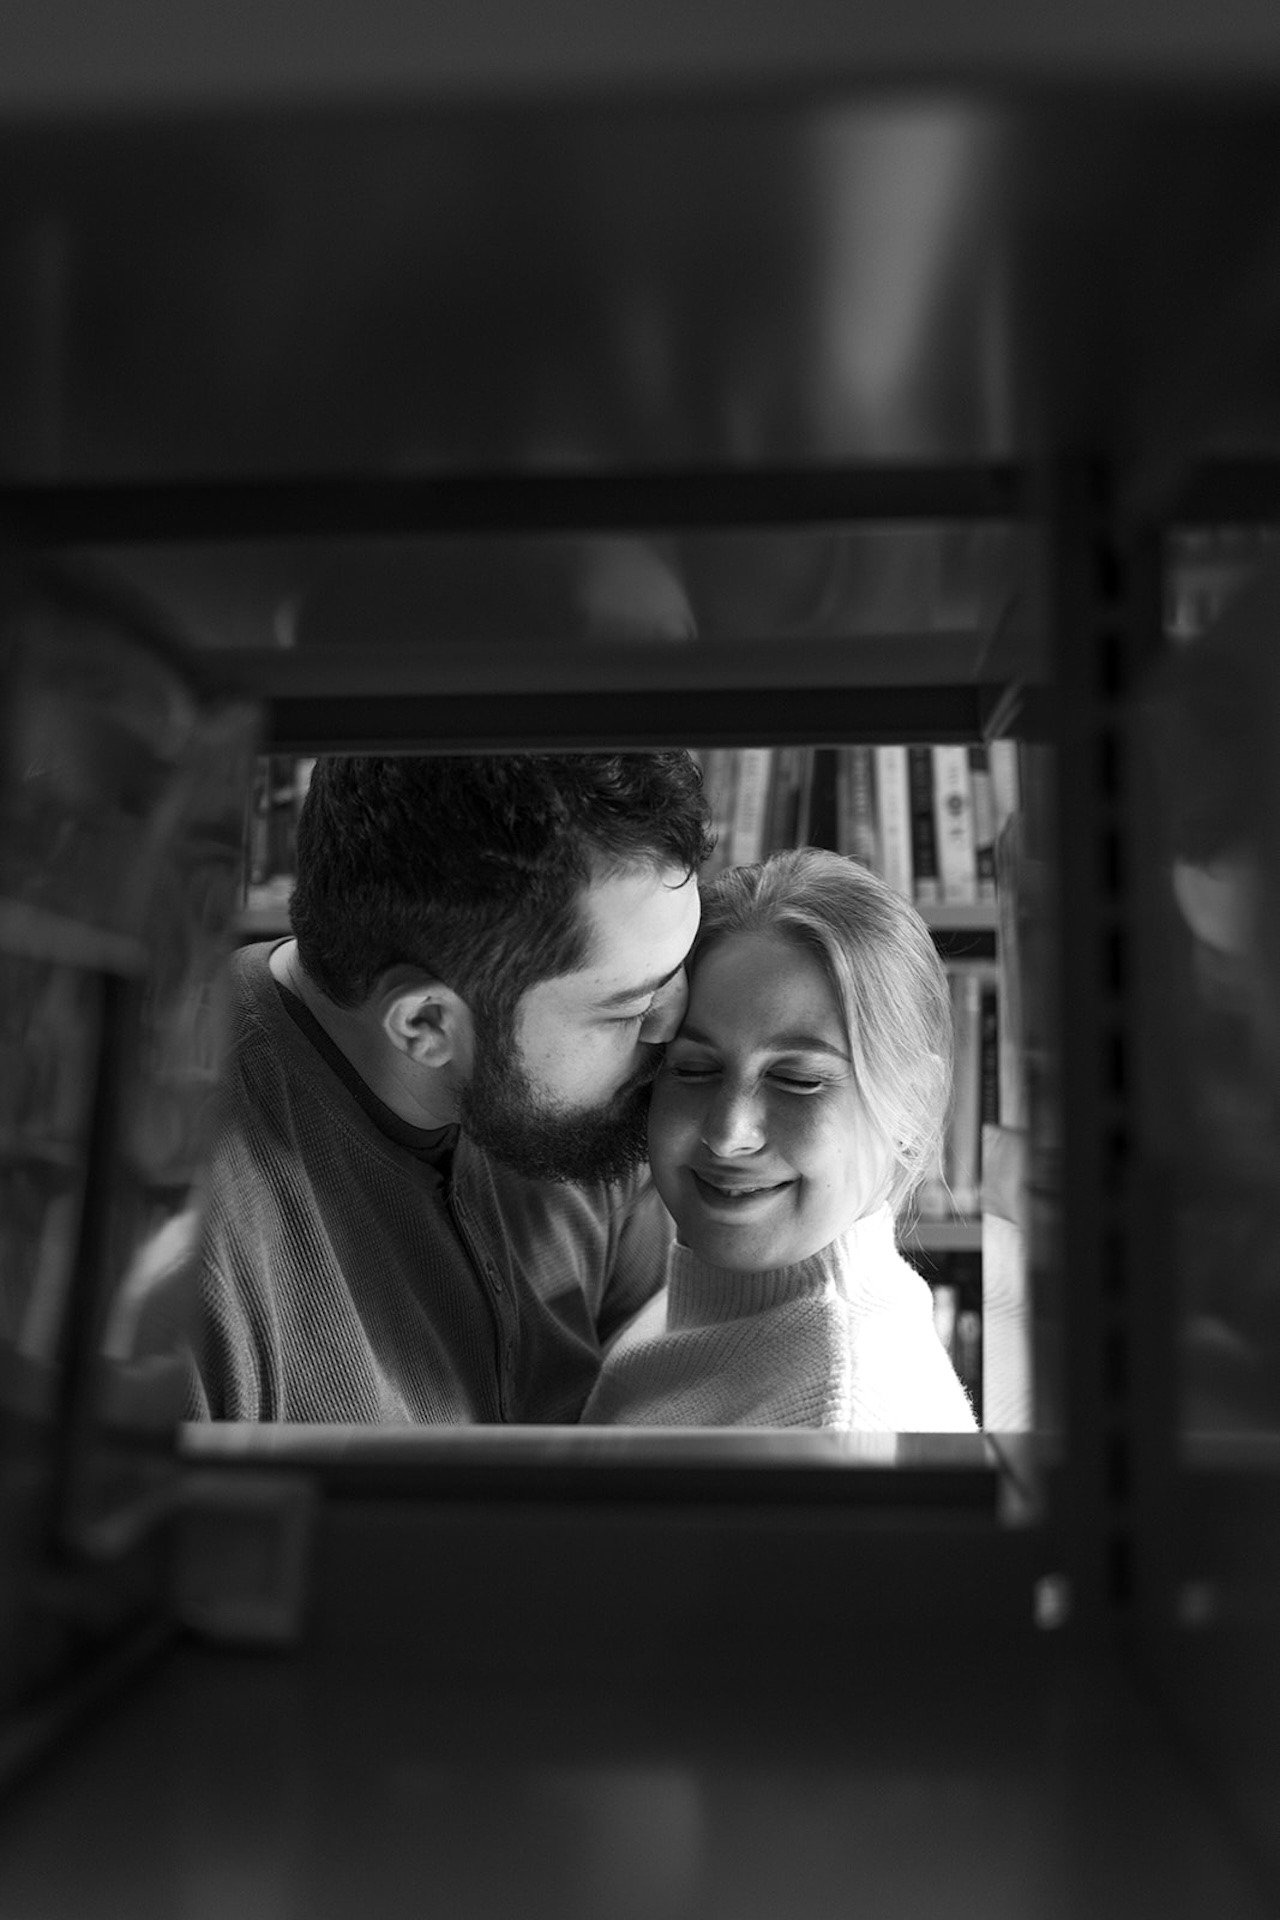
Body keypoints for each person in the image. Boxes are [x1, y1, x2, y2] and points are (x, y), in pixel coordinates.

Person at [187, 751, 710, 1421]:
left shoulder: (590, 1118)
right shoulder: (170, 1247)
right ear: (427, 1023)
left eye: (678, 967)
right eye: (631, 1008)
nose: (676, 1024)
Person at [582, 847, 977, 1430]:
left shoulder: (842, 1417)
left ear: (911, 1108)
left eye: (798, 1080)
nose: (727, 1133)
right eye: (694, 1069)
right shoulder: (701, 1303)